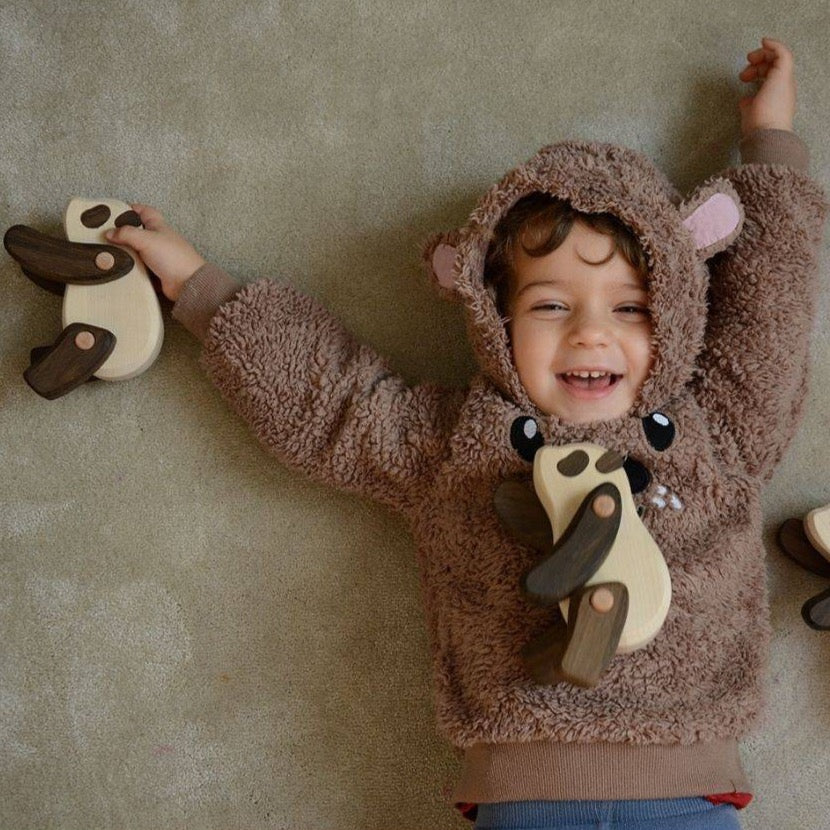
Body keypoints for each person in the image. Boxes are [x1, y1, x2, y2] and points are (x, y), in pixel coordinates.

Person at [107, 38, 825, 830]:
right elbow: (330, 400)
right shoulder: (458, 441)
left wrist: (770, 142)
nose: (591, 334)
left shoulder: (716, 424)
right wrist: (200, 290)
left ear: (677, 316)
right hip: (523, 795)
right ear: (494, 317)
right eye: (552, 306)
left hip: (693, 793)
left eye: (628, 308)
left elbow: (770, 314)